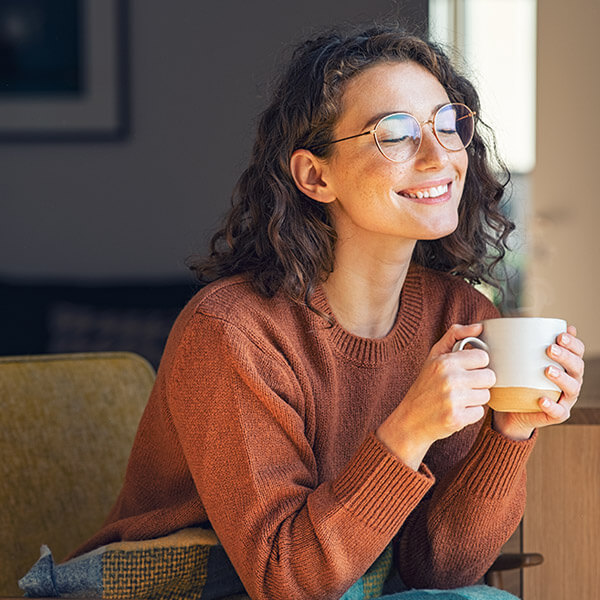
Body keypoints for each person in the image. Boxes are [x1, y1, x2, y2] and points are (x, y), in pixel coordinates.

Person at [68, 23, 585, 600]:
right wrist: (408, 429)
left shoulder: (458, 316)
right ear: (316, 176)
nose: (440, 155)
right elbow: (283, 581)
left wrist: (508, 434)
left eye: (448, 124)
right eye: (395, 133)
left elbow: (437, 572)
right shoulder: (234, 332)